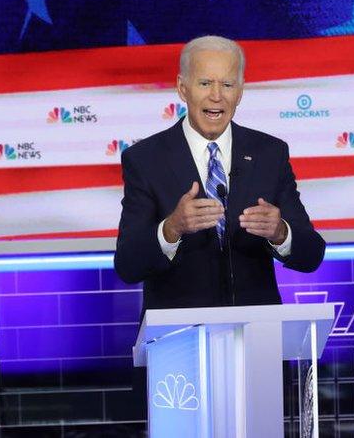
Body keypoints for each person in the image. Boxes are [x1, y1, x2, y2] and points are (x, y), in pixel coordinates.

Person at [114, 35, 325, 309]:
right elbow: (128, 265)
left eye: (227, 84)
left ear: (240, 92)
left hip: (256, 337)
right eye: (204, 83)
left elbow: (312, 255)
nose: (216, 95)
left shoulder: (269, 154)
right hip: (179, 340)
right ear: (182, 88)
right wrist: (171, 228)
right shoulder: (146, 159)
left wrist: (281, 233)